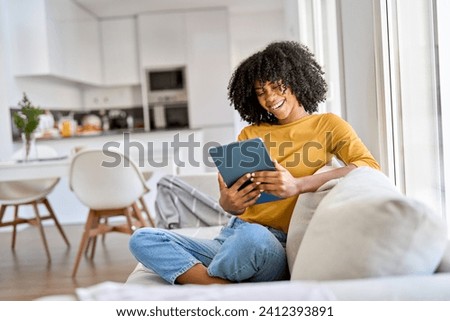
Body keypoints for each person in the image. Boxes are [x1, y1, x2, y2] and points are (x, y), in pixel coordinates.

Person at [129, 41, 380, 285]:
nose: (270, 98)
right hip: (232, 235)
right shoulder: (250, 134)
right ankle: (215, 284)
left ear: (297, 80)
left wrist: (298, 185)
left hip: (270, 245)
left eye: (277, 86)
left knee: (253, 238)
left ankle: (205, 279)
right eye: (261, 93)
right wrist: (229, 204)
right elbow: (235, 203)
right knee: (142, 239)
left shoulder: (328, 125)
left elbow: (369, 167)